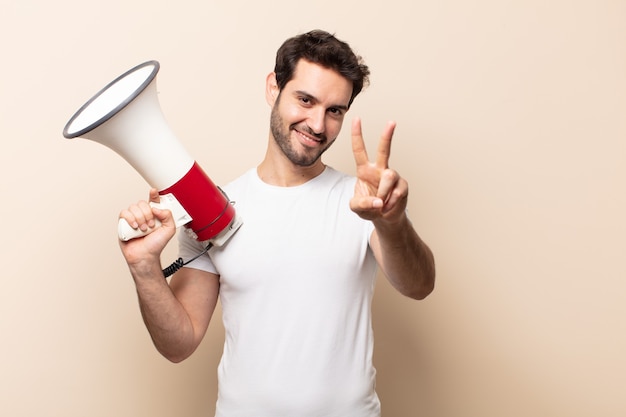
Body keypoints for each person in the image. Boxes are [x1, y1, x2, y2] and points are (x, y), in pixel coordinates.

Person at [119, 29, 435, 417]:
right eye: (305, 99)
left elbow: (419, 286)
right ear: (273, 88)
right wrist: (145, 268)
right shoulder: (215, 210)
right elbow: (178, 344)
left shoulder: (363, 202)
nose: (318, 124)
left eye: (335, 110)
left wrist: (392, 221)